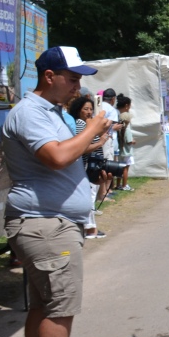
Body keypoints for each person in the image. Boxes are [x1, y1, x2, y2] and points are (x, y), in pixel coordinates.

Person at [3, 46, 111, 337]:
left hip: (51, 223)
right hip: (45, 224)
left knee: (44, 305)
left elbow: (66, 152)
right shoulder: (30, 113)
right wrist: (92, 129)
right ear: (50, 76)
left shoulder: (49, 112)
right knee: (59, 306)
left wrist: (94, 140)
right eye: (73, 78)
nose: (78, 87)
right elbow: (57, 157)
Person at [68, 95, 107, 239]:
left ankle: (91, 227)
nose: (89, 112)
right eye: (85, 109)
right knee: (89, 197)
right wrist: (100, 142)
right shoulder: (80, 124)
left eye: (91, 109)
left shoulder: (87, 124)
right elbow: (81, 147)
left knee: (91, 195)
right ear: (78, 110)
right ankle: (90, 229)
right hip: (85, 166)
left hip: (91, 166)